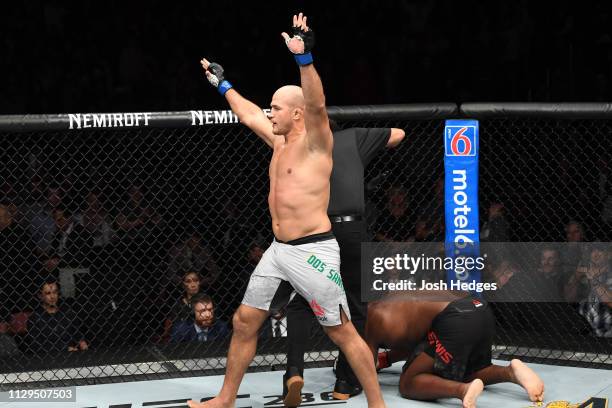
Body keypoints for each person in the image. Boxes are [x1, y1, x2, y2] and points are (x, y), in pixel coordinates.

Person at [190, 13, 386, 408]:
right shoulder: (277, 141)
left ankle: (378, 405)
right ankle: (225, 399)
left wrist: (304, 60)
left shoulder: (317, 143)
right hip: (279, 250)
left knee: (342, 332)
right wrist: (221, 83)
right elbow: (246, 113)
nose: (270, 112)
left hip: (314, 251)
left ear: (296, 114)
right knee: (245, 321)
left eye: (276, 108)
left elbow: (316, 102)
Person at [284, 121, 406, 403]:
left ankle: (293, 370)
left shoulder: (298, 146)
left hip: (316, 230)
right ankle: (346, 381)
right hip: (351, 230)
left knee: (302, 300)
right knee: (356, 306)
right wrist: (364, 148)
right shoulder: (352, 138)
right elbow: (399, 134)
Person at [366, 291, 545, 408]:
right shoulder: (395, 301)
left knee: (408, 383)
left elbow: (365, 365)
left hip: (455, 319)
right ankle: (510, 372)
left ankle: (462, 390)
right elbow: (416, 346)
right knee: (465, 370)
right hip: (479, 309)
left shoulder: (372, 318)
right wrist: (386, 359)